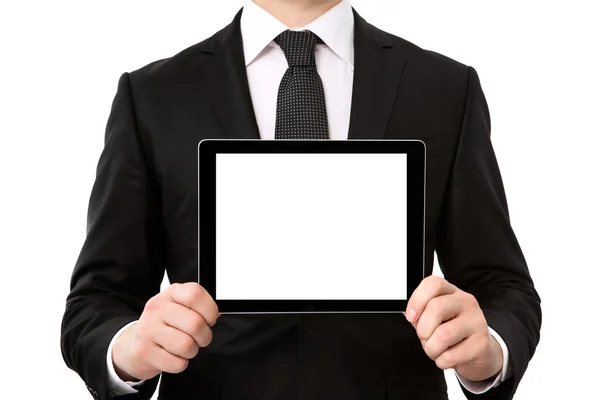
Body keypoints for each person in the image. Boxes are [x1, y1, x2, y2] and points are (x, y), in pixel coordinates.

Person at [60, 1, 541, 399]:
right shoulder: (152, 96)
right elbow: (98, 299)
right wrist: (129, 348)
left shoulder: (443, 88)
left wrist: (488, 350)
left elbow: (502, 284)